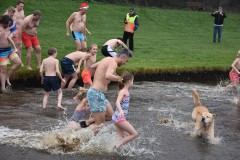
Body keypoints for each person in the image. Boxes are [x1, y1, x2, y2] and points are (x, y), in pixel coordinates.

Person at [87, 48, 132, 132]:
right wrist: (120, 79)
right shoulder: (113, 62)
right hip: (96, 94)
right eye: (126, 60)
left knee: (112, 116)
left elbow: (93, 67)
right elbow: (108, 75)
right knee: (99, 124)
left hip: (98, 94)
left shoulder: (107, 59)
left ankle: (87, 122)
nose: (125, 63)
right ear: (122, 57)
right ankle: (83, 142)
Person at [112, 72, 138, 148]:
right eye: (133, 80)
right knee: (134, 134)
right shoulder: (123, 91)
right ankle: (117, 146)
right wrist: (120, 111)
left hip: (118, 118)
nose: (133, 82)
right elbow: (117, 102)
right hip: (119, 118)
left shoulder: (124, 90)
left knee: (121, 137)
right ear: (129, 81)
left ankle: (115, 150)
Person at [0, 15, 22, 92]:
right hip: (1, 52)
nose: (9, 25)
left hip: (9, 50)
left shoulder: (8, 27)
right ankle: (3, 88)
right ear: (3, 23)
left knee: (18, 63)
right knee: (3, 69)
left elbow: (13, 28)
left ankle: (7, 76)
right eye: (8, 23)